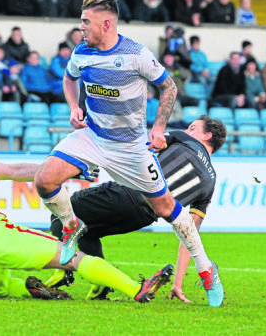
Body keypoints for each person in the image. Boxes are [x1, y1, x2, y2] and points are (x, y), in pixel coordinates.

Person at [33, 0, 224, 308]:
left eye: (86, 22)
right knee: (44, 179)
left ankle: (206, 269)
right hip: (93, 136)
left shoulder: (136, 54)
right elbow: (70, 80)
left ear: (106, 23)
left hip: (131, 148)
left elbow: (170, 86)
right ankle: (70, 226)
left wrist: (160, 127)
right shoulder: (81, 52)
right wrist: (72, 107)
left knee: (167, 209)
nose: (81, 27)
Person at [0, 133, 174, 301]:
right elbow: (14, 170)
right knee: (74, 258)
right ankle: (134, 288)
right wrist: (64, 171)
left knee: (5, 289)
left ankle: (28, 290)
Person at [46, 115, 227, 306]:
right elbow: (189, 235)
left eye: (192, 128)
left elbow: (143, 145)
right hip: (143, 217)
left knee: (63, 212)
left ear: (206, 135)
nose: (187, 131)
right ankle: (101, 283)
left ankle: (65, 271)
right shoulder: (210, 182)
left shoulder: (183, 139)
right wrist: (178, 283)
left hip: (128, 194)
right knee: (87, 232)